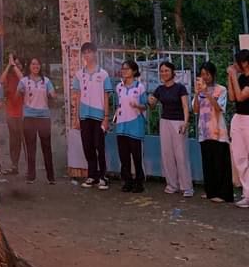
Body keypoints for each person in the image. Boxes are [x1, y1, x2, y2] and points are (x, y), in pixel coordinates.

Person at [148, 60, 193, 198]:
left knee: (181, 155)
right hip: (165, 122)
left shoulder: (180, 88)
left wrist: (185, 122)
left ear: (173, 72)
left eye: (166, 70)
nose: (164, 73)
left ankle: (186, 187)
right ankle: (172, 185)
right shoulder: (159, 89)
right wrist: (150, 101)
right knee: (167, 154)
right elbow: (152, 105)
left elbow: (186, 106)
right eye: (161, 71)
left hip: (178, 122)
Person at [72, 42, 112, 190]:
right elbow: (77, 96)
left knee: (99, 146)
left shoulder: (103, 74)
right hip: (84, 115)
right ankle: (92, 175)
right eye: (85, 53)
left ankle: (103, 176)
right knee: (87, 145)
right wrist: (76, 117)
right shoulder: (79, 74)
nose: (88, 55)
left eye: (90, 52)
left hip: (99, 116)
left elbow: (106, 96)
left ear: (95, 53)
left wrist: (106, 117)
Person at [193, 60, 233, 203]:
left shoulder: (221, 89)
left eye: (207, 74)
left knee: (220, 163)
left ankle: (224, 193)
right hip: (204, 132)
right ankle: (211, 191)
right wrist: (198, 94)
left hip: (218, 131)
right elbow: (196, 109)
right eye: (202, 74)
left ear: (213, 75)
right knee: (208, 163)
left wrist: (207, 93)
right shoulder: (199, 90)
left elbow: (219, 108)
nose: (205, 77)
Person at [18, 58, 55, 184]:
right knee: (31, 148)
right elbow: (18, 94)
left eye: (38, 64)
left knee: (46, 147)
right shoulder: (24, 81)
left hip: (44, 117)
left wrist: (52, 94)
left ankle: (51, 177)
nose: (35, 66)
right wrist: (19, 91)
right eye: (33, 64)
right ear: (29, 66)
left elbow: (52, 93)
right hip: (29, 117)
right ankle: (31, 176)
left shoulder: (46, 81)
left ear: (40, 66)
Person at [114, 60, 147, 193]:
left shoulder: (139, 87)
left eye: (127, 69)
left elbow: (145, 106)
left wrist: (137, 105)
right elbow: (118, 105)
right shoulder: (119, 87)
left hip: (135, 124)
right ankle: (127, 181)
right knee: (124, 155)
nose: (124, 71)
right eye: (123, 69)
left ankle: (139, 182)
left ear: (134, 71)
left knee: (136, 155)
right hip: (122, 124)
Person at [230, 49, 249, 208]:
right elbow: (232, 97)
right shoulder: (241, 78)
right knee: (240, 157)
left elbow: (241, 96)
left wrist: (234, 77)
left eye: (237, 62)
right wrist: (232, 77)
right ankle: (246, 193)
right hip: (239, 118)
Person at [0, 55, 23, 175]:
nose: (15, 66)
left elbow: (22, 78)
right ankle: (14, 165)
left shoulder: (23, 78)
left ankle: (22, 165)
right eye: (15, 64)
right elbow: (0, 81)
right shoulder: (9, 77)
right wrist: (9, 65)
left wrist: (13, 66)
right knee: (13, 140)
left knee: (20, 140)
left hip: (21, 113)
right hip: (10, 112)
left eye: (18, 64)